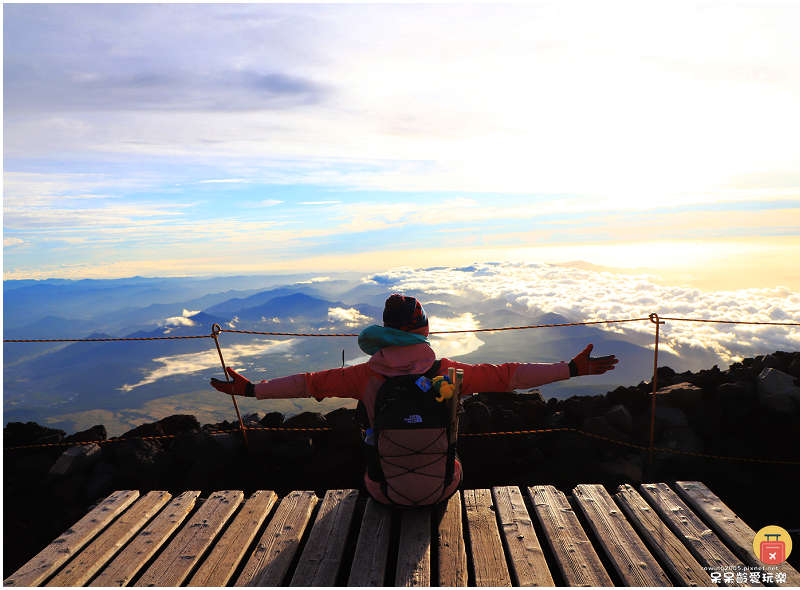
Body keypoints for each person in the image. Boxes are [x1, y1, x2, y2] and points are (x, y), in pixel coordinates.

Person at [210, 293, 618, 505]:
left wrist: (250, 390)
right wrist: (572, 369)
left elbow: (306, 383)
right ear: (423, 330)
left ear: (386, 333)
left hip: (382, 490)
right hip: (444, 485)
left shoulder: (363, 376)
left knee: (369, 430)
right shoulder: (449, 374)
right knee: (450, 421)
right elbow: (510, 377)